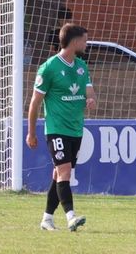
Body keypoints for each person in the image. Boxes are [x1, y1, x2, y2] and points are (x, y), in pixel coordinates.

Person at [26, 21, 96, 231]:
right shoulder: (49, 68)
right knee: (64, 171)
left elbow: (90, 92)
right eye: (84, 39)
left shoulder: (82, 67)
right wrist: (31, 133)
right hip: (56, 128)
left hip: (75, 128)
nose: (87, 43)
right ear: (74, 41)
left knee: (59, 175)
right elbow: (35, 103)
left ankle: (47, 219)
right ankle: (71, 217)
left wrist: (91, 100)